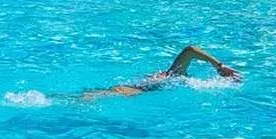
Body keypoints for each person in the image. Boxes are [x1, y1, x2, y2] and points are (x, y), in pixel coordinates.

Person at [75, 45, 241, 101]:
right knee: (99, 95)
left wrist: (219, 66)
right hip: (135, 90)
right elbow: (190, 49)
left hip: (135, 88)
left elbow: (190, 51)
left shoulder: (175, 75)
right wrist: (220, 66)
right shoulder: (176, 74)